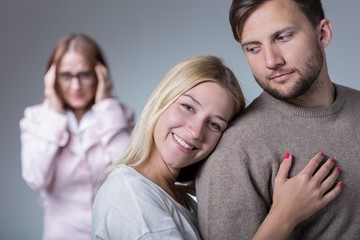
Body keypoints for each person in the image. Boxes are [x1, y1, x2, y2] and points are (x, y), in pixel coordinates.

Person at [92, 55, 342, 240]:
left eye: (214, 124)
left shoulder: (184, 201)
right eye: (188, 107)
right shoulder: (130, 194)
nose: (195, 131)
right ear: (162, 100)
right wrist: (284, 216)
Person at [196, 0, 360, 239]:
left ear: (323, 33)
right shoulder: (236, 151)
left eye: (283, 37)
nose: (271, 61)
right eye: (253, 48)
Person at [20, 33, 135, 240]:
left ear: (100, 74)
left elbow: (131, 172)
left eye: (84, 74)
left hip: (113, 233)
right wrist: (54, 115)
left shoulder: (119, 115)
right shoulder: (37, 119)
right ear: (52, 78)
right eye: (65, 75)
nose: (75, 86)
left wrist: (106, 106)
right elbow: (36, 177)